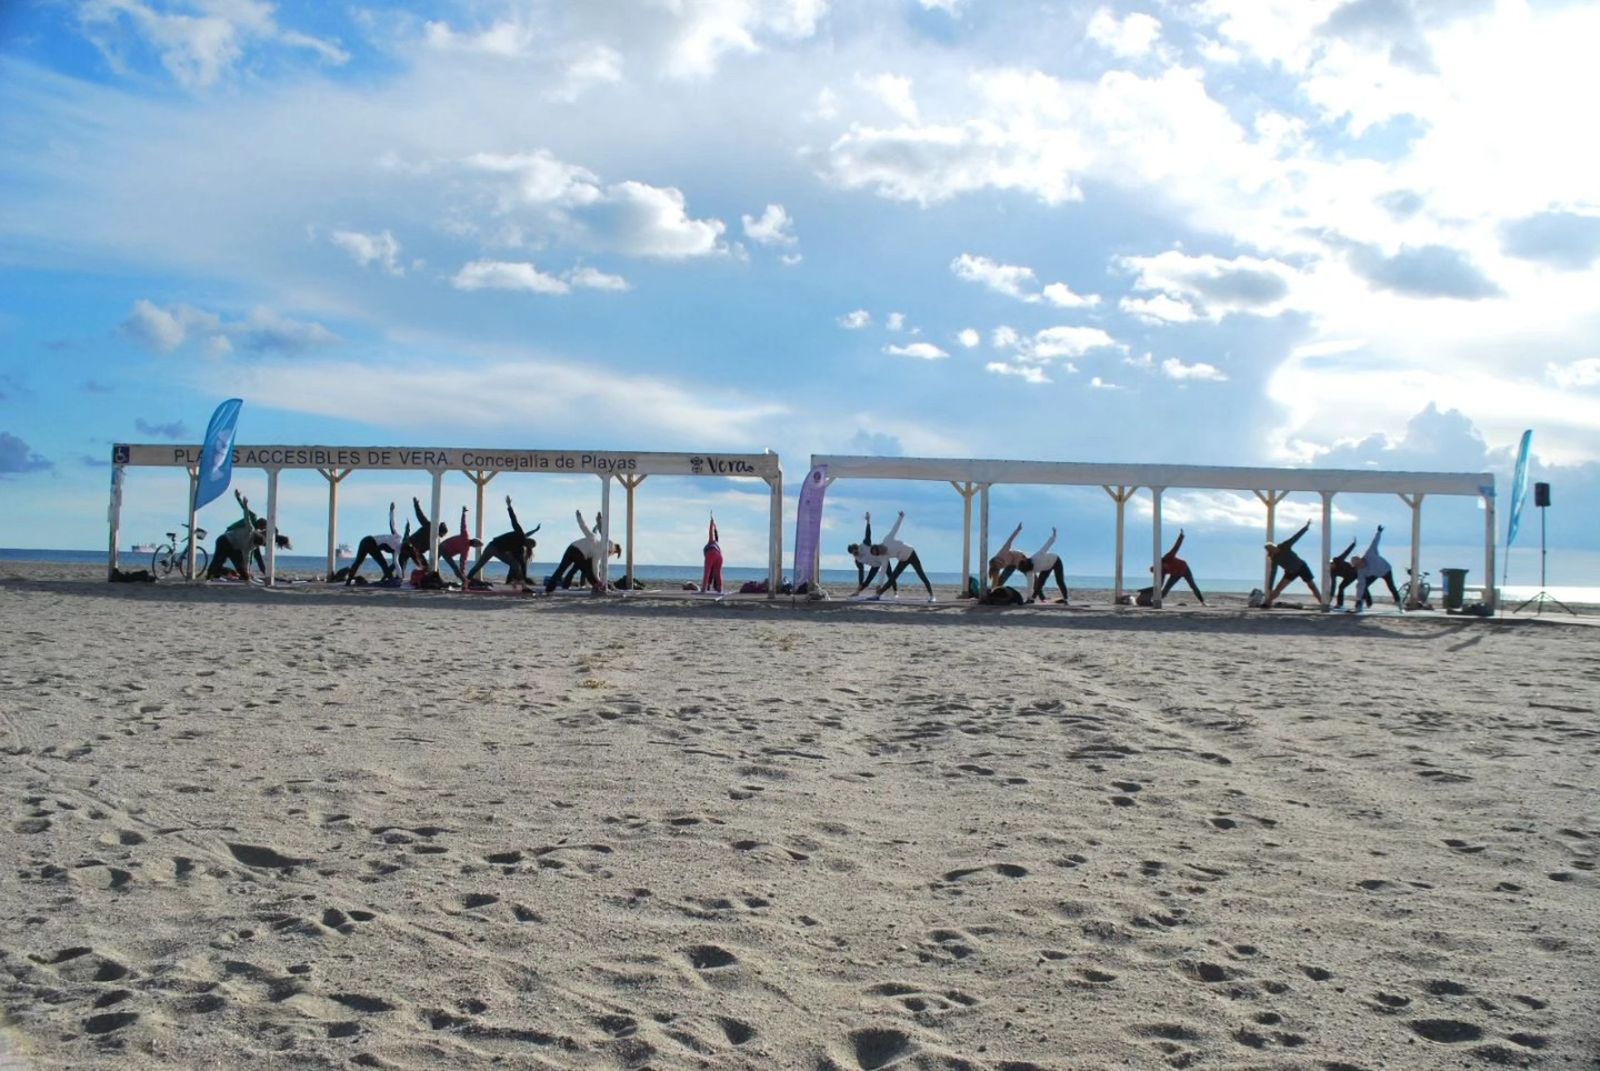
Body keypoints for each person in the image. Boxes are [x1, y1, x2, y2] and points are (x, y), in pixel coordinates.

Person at [467, 496, 538, 586]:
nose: (528, 544)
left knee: (514, 564)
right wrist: (509, 506)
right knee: (481, 565)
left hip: (492, 547)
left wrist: (525, 577)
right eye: (530, 543)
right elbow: (514, 520)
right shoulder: (520, 534)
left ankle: (511, 582)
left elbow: (522, 564)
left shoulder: (520, 549)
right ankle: (467, 580)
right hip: (494, 547)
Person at [545, 510, 616, 592]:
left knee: (561, 569)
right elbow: (595, 568)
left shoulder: (594, 538)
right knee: (587, 570)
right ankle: (597, 585)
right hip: (578, 553)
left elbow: (584, 527)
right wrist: (598, 580)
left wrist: (579, 517)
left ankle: (548, 589)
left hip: (571, 548)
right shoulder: (598, 552)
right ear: (607, 549)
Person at [872, 511, 935, 602]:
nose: (880, 552)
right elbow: (883, 570)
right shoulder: (884, 556)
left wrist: (901, 517)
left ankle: (932, 595)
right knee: (892, 578)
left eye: (878, 550)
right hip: (903, 560)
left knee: (921, 574)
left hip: (911, 553)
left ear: (879, 546)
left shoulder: (887, 540)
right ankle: (878, 594)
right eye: (878, 553)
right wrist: (879, 584)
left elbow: (895, 529)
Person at [1262, 519, 1326, 608]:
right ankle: (1267, 603)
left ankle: (1322, 602)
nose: (1272, 550)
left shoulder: (1284, 546)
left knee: (1311, 585)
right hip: (1290, 572)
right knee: (1278, 588)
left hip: (1302, 566)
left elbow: (1295, 537)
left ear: (1274, 546)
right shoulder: (1274, 559)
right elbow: (1273, 572)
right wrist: (1270, 587)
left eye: (1272, 548)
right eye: (1269, 550)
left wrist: (1306, 527)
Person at [207, 489, 266, 580]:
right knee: (218, 559)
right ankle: (209, 575)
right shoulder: (250, 529)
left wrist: (247, 571)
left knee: (239, 562)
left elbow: (247, 558)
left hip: (234, 545)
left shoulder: (251, 547)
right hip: (225, 539)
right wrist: (244, 504)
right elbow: (247, 517)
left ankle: (243, 576)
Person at [345, 502, 405, 585]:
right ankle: (391, 580)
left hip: (365, 540)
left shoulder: (398, 545)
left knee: (358, 562)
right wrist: (391, 511)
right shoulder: (398, 538)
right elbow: (392, 523)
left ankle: (348, 582)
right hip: (370, 542)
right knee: (383, 563)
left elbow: (396, 562)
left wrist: (400, 576)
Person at [1351, 524, 1403, 609]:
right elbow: (1360, 585)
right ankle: (1362, 603)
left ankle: (1399, 603)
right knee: (1364, 586)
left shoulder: (1370, 553)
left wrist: (1379, 532)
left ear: (1360, 560)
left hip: (1386, 570)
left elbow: (1375, 542)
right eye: (1356, 567)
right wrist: (1358, 599)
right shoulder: (1360, 571)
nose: (1358, 567)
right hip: (1375, 574)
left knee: (1391, 586)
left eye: (1358, 564)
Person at [1153, 529, 1205, 604]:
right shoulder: (1162, 570)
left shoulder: (1168, 556)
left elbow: (1176, 547)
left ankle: (1202, 602)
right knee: (1166, 588)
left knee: (1192, 585)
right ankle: (1156, 601)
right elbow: (1161, 582)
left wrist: (1181, 536)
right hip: (1175, 574)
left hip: (1184, 568)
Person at [1019, 527, 1069, 603]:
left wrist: (1054, 535)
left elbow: (1047, 545)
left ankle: (1065, 599)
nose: (1031, 571)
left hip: (1055, 560)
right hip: (1046, 567)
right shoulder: (1028, 571)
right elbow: (1030, 585)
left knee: (1059, 580)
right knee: (1039, 583)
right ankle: (1032, 599)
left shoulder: (1037, 556)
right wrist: (1028, 598)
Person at [847, 513, 892, 593]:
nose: (856, 554)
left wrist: (868, 521)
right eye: (854, 554)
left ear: (857, 548)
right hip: (875, 566)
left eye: (856, 552)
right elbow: (861, 571)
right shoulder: (857, 560)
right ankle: (857, 592)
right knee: (867, 581)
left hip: (882, 559)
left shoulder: (865, 544)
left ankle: (895, 592)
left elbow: (868, 534)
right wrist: (860, 583)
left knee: (890, 576)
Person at [402, 497, 450, 571]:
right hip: (409, 545)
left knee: (425, 567)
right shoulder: (429, 526)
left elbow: (436, 552)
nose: (442, 536)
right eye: (443, 534)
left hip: (415, 550)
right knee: (403, 562)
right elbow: (420, 516)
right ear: (440, 531)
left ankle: (394, 576)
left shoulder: (436, 540)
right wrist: (416, 505)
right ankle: (392, 577)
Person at [1329, 537, 1365, 609]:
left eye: (1332, 565)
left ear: (1333, 563)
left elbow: (1346, 552)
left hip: (1354, 573)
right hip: (1347, 577)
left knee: (1362, 585)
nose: (1332, 567)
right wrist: (1331, 596)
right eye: (1330, 567)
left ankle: (1363, 601)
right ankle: (1340, 604)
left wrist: (1353, 544)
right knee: (1341, 587)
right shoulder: (1332, 571)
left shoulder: (1338, 559)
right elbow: (1333, 584)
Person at [988, 522, 1026, 588]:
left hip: (1018, 558)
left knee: (1029, 573)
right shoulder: (995, 565)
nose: (1000, 567)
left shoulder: (1004, 551)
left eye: (999, 566)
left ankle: (1038, 592)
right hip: (1010, 565)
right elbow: (995, 578)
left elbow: (1010, 540)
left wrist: (1018, 529)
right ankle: (994, 592)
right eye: (999, 567)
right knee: (999, 582)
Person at [702, 514, 724, 594]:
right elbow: (715, 533)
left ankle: (704, 589)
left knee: (707, 572)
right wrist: (715, 526)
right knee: (718, 574)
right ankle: (720, 589)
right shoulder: (718, 544)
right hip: (719, 557)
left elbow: (711, 532)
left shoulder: (711, 541)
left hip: (711, 554)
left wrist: (711, 523)